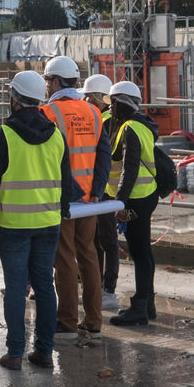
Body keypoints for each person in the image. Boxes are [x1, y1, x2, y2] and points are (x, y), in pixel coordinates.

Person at [0, 70, 79, 370]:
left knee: (15, 288)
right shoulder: (56, 135)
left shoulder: (4, 136)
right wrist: (61, 210)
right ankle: (44, 352)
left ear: (15, 100)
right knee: (45, 286)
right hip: (48, 224)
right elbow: (66, 182)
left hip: (13, 226)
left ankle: (15, 353)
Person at [41, 56, 110, 340]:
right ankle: (94, 321)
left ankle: (67, 322)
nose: (46, 86)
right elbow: (103, 156)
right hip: (89, 202)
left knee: (64, 260)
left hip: (63, 200)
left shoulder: (48, 113)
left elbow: (50, 160)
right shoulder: (93, 112)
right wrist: (95, 192)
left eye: (47, 80)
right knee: (89, 256)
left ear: (56, 81)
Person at [106, 80, 160, 327]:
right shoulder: (143, 125)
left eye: (112, 103)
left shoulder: (130, 128)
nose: (110, 108)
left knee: (139, 252)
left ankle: (140, 309)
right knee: (144, 252)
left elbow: (130, 169)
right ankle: (147, 305)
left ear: (121, 102)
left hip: (135, 199)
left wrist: (120, 203)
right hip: (146, 195)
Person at [83, 73, 121, 311]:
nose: (84, 101)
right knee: (96, 240)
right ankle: (96, 287)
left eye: (88, 97)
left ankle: (107, 290)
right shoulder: (101, 119)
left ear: (99, 98)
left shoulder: (104, 121)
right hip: (99, 190)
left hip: (106, 191)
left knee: (106, 241)